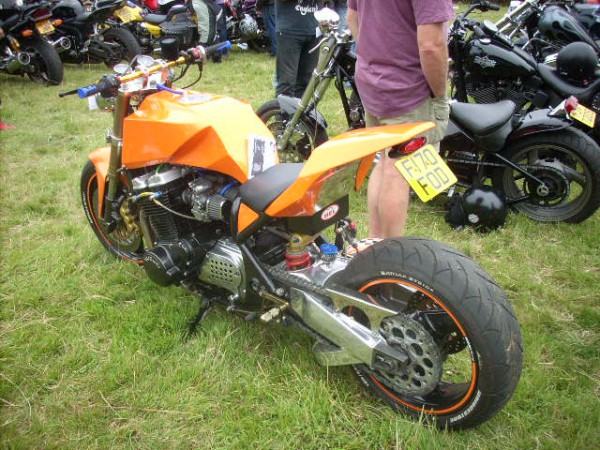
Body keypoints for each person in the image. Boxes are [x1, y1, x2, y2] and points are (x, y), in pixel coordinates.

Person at [346, 1, 453, 238]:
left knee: (385, 160)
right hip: (407, 88)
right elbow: (431, 46)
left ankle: (377, 241)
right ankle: (391, 249)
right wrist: (439, 93)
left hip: (372, 81)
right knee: (399, 169)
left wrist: (375, 58)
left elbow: (352, 17)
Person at [274, 0, 323, 97]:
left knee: (307, 81)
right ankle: (283, 107)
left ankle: (300, 106)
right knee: (287, 81)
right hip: (290, 30)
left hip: (313, 30)